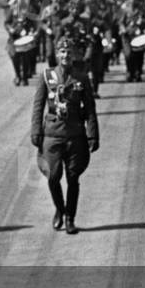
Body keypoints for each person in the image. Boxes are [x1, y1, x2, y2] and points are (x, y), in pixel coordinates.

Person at [31, 35, 99, 235]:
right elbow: (38, 106)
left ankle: (70, 217)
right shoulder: (47, 76)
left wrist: (92, 134)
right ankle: (60, 210)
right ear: (57, 54)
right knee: (53, 176)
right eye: (62, 51)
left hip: (75, 133)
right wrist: (36, 131)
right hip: (52, 133)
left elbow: (90, 109)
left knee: (72, 177)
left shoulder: (82, 77)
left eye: (69, 52)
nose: (65, 55)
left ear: (75, 54)